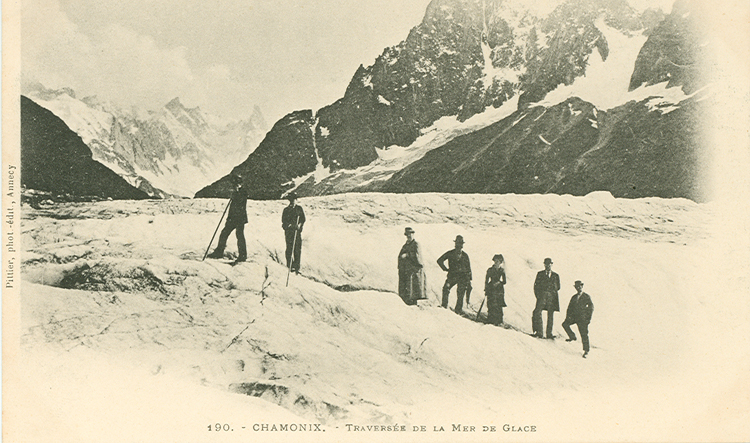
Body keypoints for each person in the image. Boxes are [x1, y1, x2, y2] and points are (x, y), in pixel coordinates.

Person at [207, 173, 248, 263]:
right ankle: (219, 252)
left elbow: (240, 205)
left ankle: (242, 256)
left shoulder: (242, 192)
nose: (233, 186)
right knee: (224, 233)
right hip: (233, 218)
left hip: (239, 219)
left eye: (234, 184)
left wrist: (236, 194)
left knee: (239, 236)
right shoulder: (237, 192)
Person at [437, 235, 472, 313]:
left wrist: (469, 280)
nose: (459, 245)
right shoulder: (450, 253)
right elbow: (439, 260)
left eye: (461, 244)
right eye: (458, 243)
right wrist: (445, 269)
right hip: (452, 276)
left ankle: (458, 310)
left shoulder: (465, 256)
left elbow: (468, 269)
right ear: (455, 244)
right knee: (446, 288)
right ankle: (444, 306)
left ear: (462, 245)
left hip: (462, 277)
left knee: (461, 293)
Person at [562, 280, 594, 358]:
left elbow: (591, 308)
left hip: (582, 319)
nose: (578, 288)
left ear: (582, 286)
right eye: (577, 287)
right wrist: (568, 317)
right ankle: (572, 337)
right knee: (565, 324)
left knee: (584, 334)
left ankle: (586, 351)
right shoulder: (574, 297)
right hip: (574, 317)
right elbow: (569, 308)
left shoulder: (586, 296)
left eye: (580, 286)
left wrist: (588, 319)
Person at [397, 227, 426, 306]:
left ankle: (412, 303)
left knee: (413, 288)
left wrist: (407, 255)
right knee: (406, 288)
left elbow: (417, 256)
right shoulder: (405, 245)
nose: (409, 236)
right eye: (407, 235)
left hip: (414, 270)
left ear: (413, 234)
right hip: (406, 270)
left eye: (410, 234)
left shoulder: (416, 244)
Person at [532, 257, 560, 339]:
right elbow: (536, 286)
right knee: (537, 312)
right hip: (542, 297)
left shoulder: (556, 275)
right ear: (544, 264)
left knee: (550, 315)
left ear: (552, 264)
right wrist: (539, 296)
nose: (548, 266)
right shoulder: (540, 274)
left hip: (551, 298)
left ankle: (549, 334)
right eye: (546, 264)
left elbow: (558, 287)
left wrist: (551, 293)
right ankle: (539, 332)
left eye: (549, 264)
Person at [282, 192, 305, 273]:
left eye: (294, 199)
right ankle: (290, 266)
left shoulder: (299, 209)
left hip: (297, 232)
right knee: (289, 249)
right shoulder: (286, 210)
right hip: (289, 233)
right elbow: (284, 222)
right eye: (291, 200)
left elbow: (303, 219)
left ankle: (297, 267)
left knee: (297, 250)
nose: (293, 201)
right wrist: (289, 225)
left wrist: (299, 225)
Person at [484, 254, 507, 325]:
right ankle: (490, 319)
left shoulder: (502, 271)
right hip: (491, 288)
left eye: (498, 261)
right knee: (491, 303)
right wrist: (486, 289)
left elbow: (504, 281)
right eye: (495, 261)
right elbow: (486, 280)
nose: (496, 263)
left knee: (498, 304)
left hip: (499, 289)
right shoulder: (490, 270)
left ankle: (499, 320)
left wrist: (498, 283)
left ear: (500, 262)